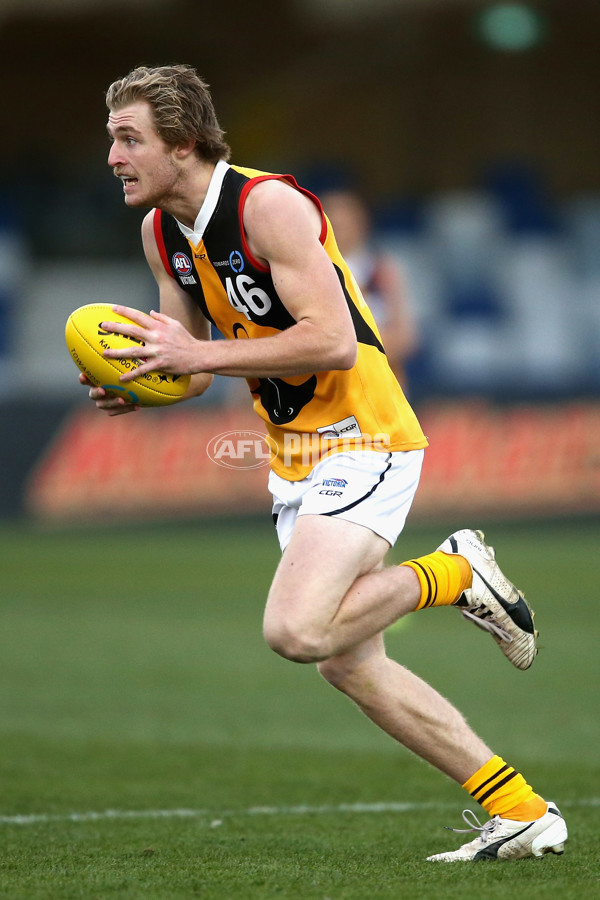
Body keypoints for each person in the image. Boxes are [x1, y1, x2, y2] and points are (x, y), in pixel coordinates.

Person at [84, 64, 567, 862]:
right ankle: (521, 810)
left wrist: (194, 349)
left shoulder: (266, 205)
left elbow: (333, 339)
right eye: (112, 138)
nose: (113, 155)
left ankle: (453, 575)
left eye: (129, 138)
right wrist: (141, 387)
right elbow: (195, 366)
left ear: (182, 143)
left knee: (296, 630)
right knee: (348, 662)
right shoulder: (161, 232)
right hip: (294, 453)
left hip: (362, 430)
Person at [321, 187, 419, 387]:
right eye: (332, 224)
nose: (338, 232)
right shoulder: (308, 275)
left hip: (381, 382)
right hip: (330, 387)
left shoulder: (383, 273)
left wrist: (345, 348)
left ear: (362, 224)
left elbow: (406, 338)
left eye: (344, 225)